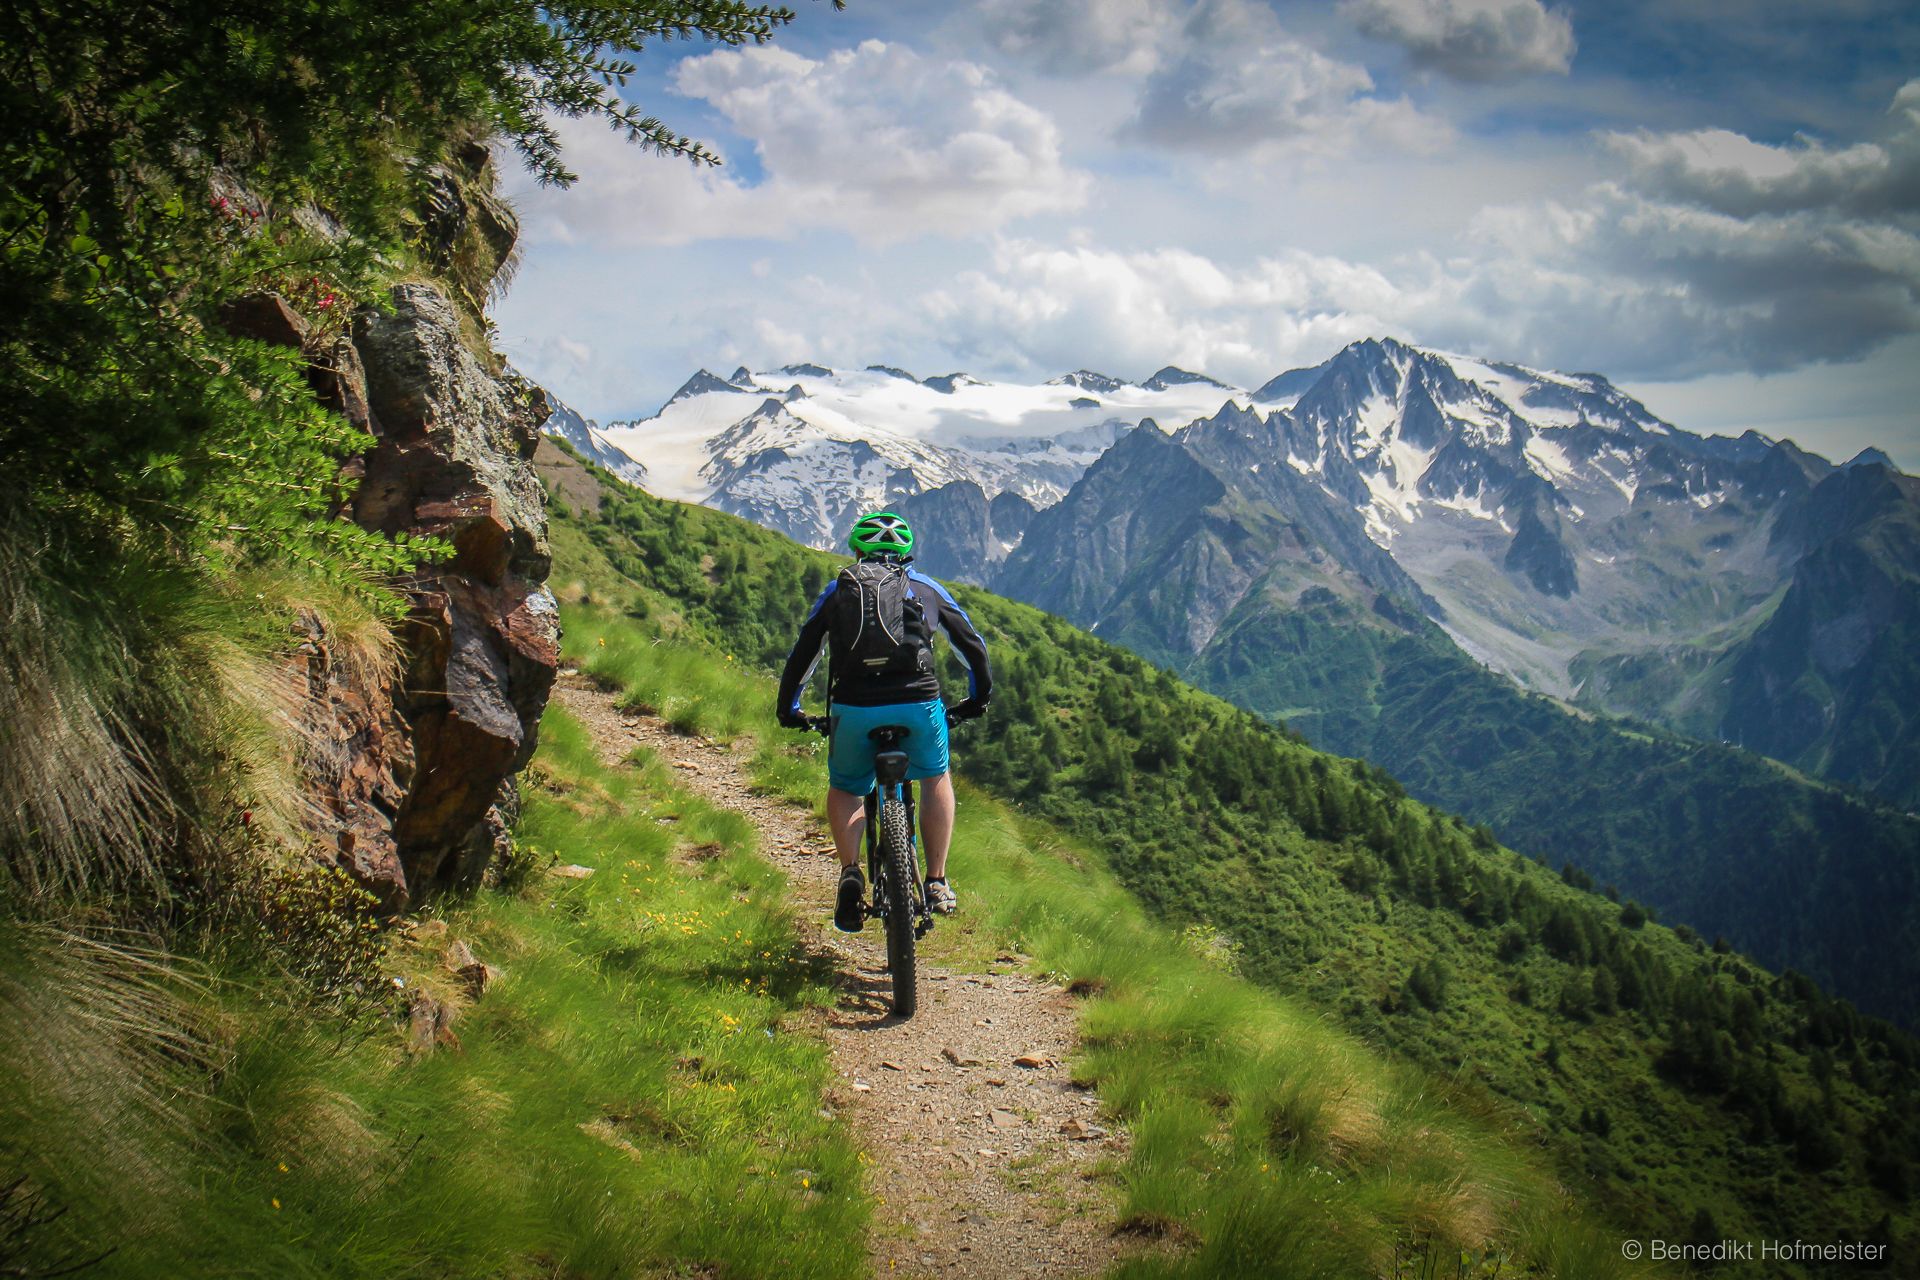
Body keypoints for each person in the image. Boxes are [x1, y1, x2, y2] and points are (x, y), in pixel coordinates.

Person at [776, 511, 991, 932]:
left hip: (853, 706)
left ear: (858, 551)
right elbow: (973, 648)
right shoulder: (927, 588)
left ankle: (851, 872)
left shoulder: (839, 590)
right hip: (918, 704)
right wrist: (978, 699)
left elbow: (804, 655)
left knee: (846, 787)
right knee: (935, 776)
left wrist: (790, 709)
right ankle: (936, 881)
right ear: (907, 553)